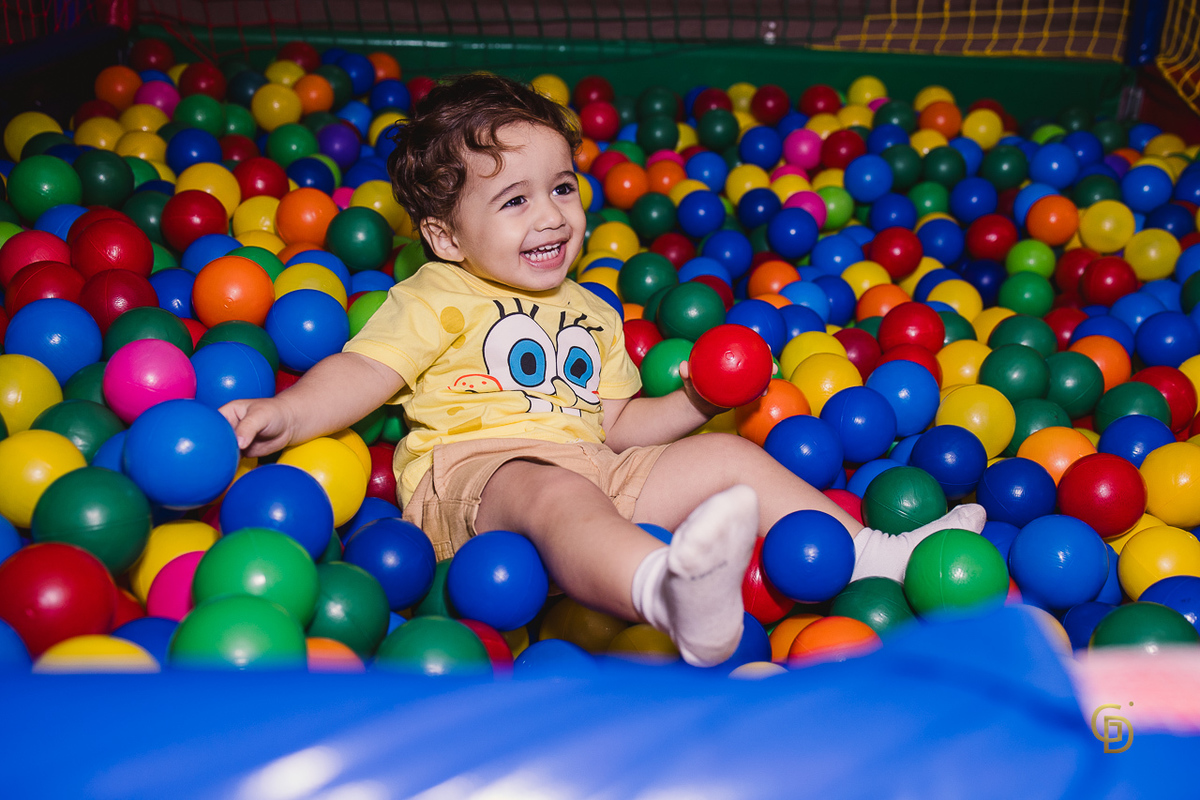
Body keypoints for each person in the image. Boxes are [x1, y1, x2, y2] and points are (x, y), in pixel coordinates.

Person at [220, 73, 986, 667]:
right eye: (514, 201)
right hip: (480, 482)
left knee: (729, 455)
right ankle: (667, 590)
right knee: (551, 491)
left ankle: (876, 555)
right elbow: (362, 371)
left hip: (596, 471)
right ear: (446, 237)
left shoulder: (591, 309)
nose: (551, 215)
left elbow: (618, 424)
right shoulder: (436, 294)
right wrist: (287, 412)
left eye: (561, 187)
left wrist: (697, 398)